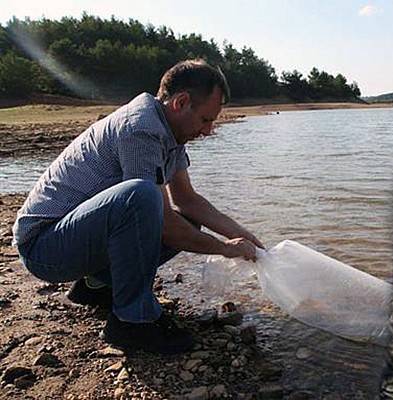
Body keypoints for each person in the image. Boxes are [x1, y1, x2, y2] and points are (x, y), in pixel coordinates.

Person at [12, 59, 263, 354]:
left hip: (70, 238)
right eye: (206, 120)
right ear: (181, 103)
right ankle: (131, 322)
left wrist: (248, 239)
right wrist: (224, 248)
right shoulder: (141, 128)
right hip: (44, 249)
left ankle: (95, 285)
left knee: (186, 221)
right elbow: (166, 225)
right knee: (142, 197)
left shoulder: (172, 133)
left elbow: (187, 200)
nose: (208, 131)